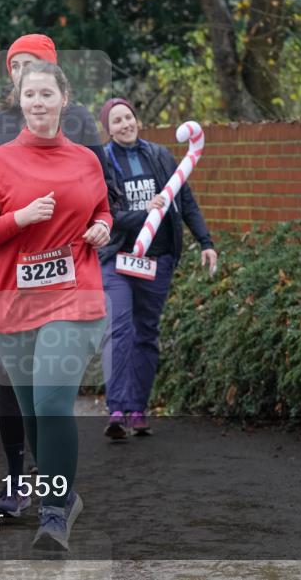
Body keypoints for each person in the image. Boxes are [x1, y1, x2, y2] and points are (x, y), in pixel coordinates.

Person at [0, 33, 120, 514]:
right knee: (22, 403)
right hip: (11, 288)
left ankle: (55, 504)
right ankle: (26, 479)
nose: (34, 97)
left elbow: (102, 202)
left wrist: (101, 226)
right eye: (25, 85)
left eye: (44, 88)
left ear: (63, 96)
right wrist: (19, 219)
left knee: (50, 402)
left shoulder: (84, 144)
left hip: (73, 291)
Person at [97, 98, 217, 439]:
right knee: (120, 329)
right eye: (116, 121)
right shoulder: (103, 161)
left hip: (156, 257)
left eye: (128, 117)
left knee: (146, 332)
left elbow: (186, 200)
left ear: (137, 119)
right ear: (108, 128)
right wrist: (143, 214)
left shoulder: (161, 155)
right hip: (118, 258)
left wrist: (206, 242)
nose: (125, 124)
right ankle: (116, 409)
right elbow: (105, 213)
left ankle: (137, 409)